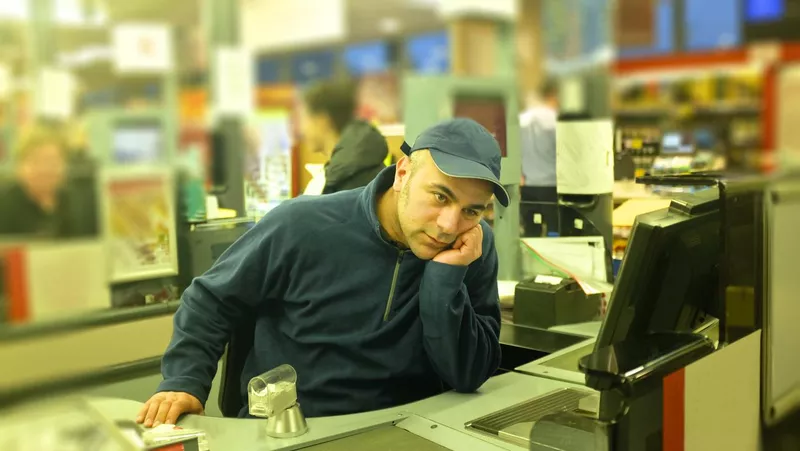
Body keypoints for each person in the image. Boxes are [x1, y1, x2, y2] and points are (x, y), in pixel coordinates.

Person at [136, 118, 508, 427]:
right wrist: (184, 381)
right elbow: (210, 300)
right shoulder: (302, 226)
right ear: (403, 172)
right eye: (440, 197)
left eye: (472, 210)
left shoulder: (471, 247)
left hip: (407, 428)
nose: (449, 224)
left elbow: (469, 375)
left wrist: (445, 282)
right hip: (296, 430)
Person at [299, 79, 389, 194]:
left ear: (322, 120)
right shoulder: (357, 167)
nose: (302, 130)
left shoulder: (344, 180)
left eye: (305, 119)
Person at [0, 125, 84, 238]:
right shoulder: (5, 206)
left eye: (53, 162)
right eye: (37, 161)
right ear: (19, 167)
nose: (46, 169)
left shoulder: (75, 203)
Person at [519, 78, 559, 237]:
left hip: (528, 187)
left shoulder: (522, 119)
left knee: (530, 232)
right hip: (551, 187)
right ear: (553, 95)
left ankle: (530, 261)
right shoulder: (555, 119)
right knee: (554, 231)